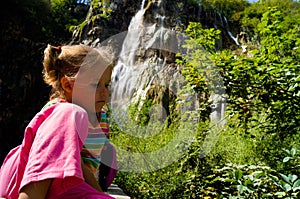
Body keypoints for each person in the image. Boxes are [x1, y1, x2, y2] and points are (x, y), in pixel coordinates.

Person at [0, 44, 117, 199]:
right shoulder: (61, 110)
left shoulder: (101, 118)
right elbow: (71, 162)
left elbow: (90, 164)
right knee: (73, 113)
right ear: (68, 85)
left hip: (71, 184)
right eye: (95, 84)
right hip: (27, 179)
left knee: (111, 151)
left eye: (106, 84)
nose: (104, 91)